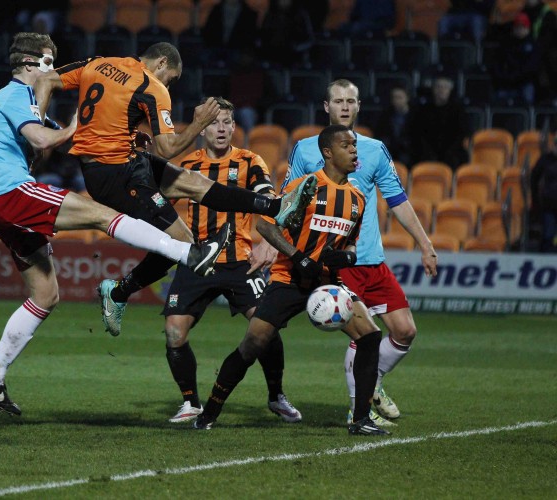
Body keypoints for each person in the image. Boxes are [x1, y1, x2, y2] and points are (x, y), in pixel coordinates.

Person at [0, 32, 234, 416]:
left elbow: (46, 144)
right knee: (101, 214)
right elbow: (44, 137)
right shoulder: (13, 94)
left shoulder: (28, 102)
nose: (51, 68)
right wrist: (72, 129)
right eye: (46, 61)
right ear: (28, 63)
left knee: (46, 296)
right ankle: (187, 252)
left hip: (3, 204)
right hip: (10, 194)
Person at [33, 42, 318, 338]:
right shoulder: (152, 85)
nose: (170, 83)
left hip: (120, 160)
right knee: (183, 243)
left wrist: (37, 126)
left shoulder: (100, 63)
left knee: (194, 183)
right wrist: (198, 124)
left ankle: (276, 207)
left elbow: (45, 79)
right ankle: (118, 293)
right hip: (115, 174)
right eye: (172, 77)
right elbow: (167, 148)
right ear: (162, 64)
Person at [194, 124, 389, 436]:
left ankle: (361, 420)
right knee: (253, 343)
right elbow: (266, 227)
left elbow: (350, 242)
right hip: (288, 279)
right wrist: (297, 257)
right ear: (328, 152)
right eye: (347, 146)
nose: (355, 151)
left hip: (327, 285)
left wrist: (348, 257)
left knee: (370, 336)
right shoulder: (306, 186)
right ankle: (209, 413)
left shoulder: (357, 198)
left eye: (355, 146)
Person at [284, 79, 438, 426]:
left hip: (371, 259)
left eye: (350, 101)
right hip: (337, 263)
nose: (344, 106)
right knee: (365, 333)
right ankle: (360, 408)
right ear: (326, 107)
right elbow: (288, 203)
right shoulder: (306, 150)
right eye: (337, 100)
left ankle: (373, 385)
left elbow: (397, 201)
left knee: (405, 331)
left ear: (358, 106)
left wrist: (425, 245)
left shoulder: (374, 149)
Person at [162, 97, 302, 424]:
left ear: (234, 126)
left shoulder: (250, 161)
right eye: (214, 123)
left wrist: (271, 213)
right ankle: (190, 403)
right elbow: (159, 199)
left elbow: (266, 194)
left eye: (227, 122)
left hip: (241, 260)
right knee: (173, 332)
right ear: (202, 129)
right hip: (198, 260)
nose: (222, 129)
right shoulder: (188, 166)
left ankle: (276, 395)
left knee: (263, 328)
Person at [407, 75, 470, 169]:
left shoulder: (458, 110)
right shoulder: (423, 110)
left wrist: (449, 151)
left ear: (450, 90)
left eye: (445, 87)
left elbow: (462, 134)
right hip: (427, 152)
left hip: (452, 152)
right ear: (433, 89)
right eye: (438, 87)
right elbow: (418, 133)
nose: (441, 90)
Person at [530, 134, 557, 252]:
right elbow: (534, 178)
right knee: (548, 235)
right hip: (549, 205)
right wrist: (535, 199)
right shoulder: (546, 159)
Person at [373, 86, 412, 166]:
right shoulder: (385, 116)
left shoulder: (415, 116)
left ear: (407, 98)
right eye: (394, 97)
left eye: (400, 97)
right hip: (390, 152)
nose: (397, 100)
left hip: (409, 153)